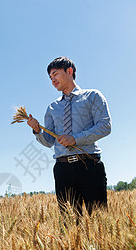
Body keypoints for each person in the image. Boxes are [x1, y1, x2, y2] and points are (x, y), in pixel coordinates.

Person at [27, 56, 112, 217]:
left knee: (99, 221)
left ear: (69, 71)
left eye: (55, 74)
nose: (52, 80)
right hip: (62, 170)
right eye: (50, 77)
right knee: (69, 224)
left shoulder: (93, 96)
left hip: (89, 165)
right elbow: (49, 142)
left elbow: (105, 126)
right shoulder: (52, 107)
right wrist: (37, 131)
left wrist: (76, 138)